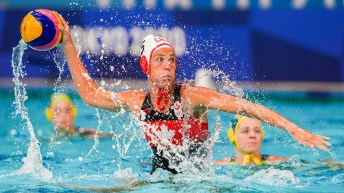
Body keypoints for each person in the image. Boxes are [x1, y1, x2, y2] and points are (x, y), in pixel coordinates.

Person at [57, 16, 330, 174]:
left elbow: (247, 108)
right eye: (160, 60)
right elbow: (90, 95)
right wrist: (68, 43)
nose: (168, 66)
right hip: (158, 179)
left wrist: (295, 129)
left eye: (172, 60)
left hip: (200, 181)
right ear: (146, 67)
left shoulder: (191, 97)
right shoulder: (136, 101)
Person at [215, 115, 289, 166]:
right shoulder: (220, 165)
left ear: (262, 136)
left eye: (257, 131)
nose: (252, 135)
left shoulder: (279, 162)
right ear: (233, 137)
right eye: (245, 131)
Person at [45, 92, 113, 140]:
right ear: (49, 114)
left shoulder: (85, 133)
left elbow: (111, 136)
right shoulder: (48, 137)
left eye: (67, 110)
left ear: (73, 113)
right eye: (57, 111)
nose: (63, 116)